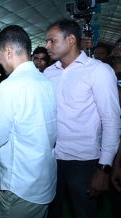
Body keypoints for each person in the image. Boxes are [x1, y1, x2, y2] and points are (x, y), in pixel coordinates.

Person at [0, 25, 57, 218]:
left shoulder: (10, 85)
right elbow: (25, 116)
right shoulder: (45, 81)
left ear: (9, 52)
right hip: (44, 180)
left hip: (22, 185)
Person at [44, 19, 120, 218]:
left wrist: (104, 168)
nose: (47, 46)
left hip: (84, 162)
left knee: (84, 213)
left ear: (70, 40)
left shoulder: (99, 71)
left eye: (52, 41)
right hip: (51, 158)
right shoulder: (48, 73)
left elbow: (111, 121)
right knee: (51, 212)